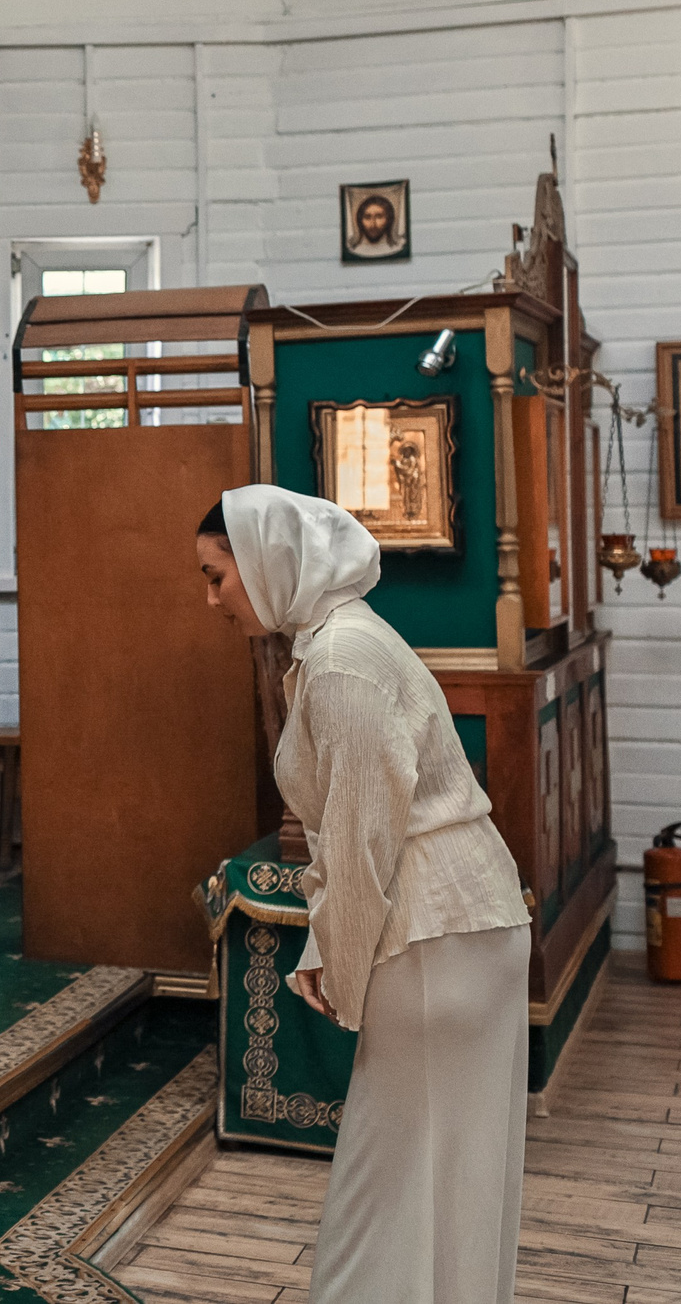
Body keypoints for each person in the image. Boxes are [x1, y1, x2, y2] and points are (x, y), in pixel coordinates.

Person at [195, 487, 530, 1303]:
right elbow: (358, 826)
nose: (211, 599)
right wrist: (329, 945)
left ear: (266, 563)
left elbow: (359, 839)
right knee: (445, 1183)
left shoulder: (342, 660)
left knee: (380, 1198)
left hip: (435, 936)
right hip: (459, 924)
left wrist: (337, 965)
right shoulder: (336, 644)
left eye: (215, 575)